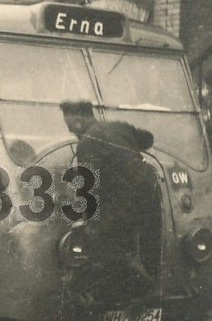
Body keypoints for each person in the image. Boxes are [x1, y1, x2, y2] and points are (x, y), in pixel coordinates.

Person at [60, 99, 157, 285]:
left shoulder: (87, 143)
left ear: (79, 119)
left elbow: (89, 189)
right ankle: (139, 276)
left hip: (124, 199)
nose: (70, 130)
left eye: (69, 124)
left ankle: (138, 280)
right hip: (150, 191)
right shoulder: (118, 127)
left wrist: (85, 221)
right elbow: (148, 138)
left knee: (94, 236)